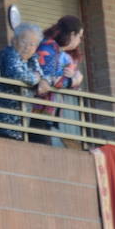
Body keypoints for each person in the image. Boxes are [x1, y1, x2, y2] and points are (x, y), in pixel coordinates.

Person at [0, 23, 52, 141]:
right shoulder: (9, 53)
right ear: (13, 40)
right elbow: (17, 75)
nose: (27, 47)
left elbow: (43, 76)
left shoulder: (32, 59)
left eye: (32, 44)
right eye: (24, 42)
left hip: (18, 127)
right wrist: (36, 79)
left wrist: (45, 80)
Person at [31, 14, 85, 146]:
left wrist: (73, 77)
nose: (80, 40)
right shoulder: (48, 48)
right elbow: (48, 80)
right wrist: (74, 81)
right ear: (72, 34)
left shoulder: (60, 52)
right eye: (80, 36)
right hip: (36, 109)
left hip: (45, 112)